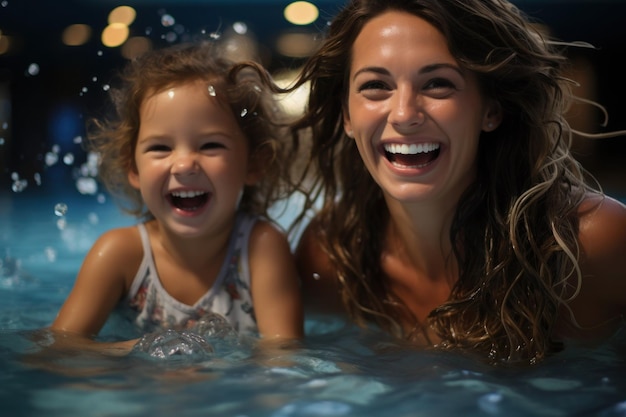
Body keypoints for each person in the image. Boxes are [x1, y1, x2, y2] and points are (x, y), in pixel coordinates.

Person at [287, 0, 626, 365]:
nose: (403, 114)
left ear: (491, 110)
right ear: (347, 116)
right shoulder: (333, 258)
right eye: (375, 85)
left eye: (437, 84)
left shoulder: (593, 244)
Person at [49, 41, 304, 354]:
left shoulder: (261, 248)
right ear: (134, 169)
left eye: (211, 145)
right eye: (160, 148)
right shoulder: (119, 256)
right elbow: (58, 351)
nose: (184, 165)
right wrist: (142, 349)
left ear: (253, 164)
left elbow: (284, 359)